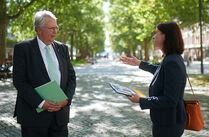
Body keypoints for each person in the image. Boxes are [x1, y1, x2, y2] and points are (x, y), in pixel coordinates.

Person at [13, 10, 76, 137]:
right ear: (38, 29)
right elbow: (19, 81)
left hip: (60, 117)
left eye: (56, 27)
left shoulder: (63, 48)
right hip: (33, 118)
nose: (55, 31)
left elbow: (71, 78)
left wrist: (66, 100)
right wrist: (42, 103)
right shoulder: (23, 49)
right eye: (51, 28)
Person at [121, 22, 187, 137]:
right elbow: (160, 71)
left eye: (157, 33)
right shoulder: (171, 58)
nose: (154, 37)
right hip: (167, 122)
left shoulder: (172, 61)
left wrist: (141, 100)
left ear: (166, 36)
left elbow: (170, 100)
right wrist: (139, 63)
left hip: (169, 125)